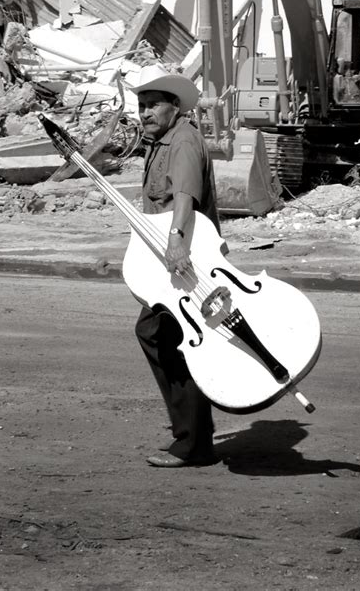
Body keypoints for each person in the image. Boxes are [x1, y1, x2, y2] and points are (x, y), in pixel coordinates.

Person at [130, 63, 220, 468]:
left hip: (185, 257)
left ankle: (193, 442)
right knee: (164, 336)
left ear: (173, 106)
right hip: (175, 257)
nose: (145, 113)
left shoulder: (182, 142)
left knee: (164, 337)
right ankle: (193, 435)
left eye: (152, 105)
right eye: (141, 105)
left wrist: (175, 244)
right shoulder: (164, 141)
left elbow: (184, 198)